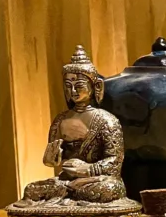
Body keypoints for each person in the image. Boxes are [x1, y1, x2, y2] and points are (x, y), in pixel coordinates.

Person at [21, 46, 128, 204]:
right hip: (67, 181)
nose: (73, 91)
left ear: (95, 86)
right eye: (68, 86)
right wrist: (51, 160)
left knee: (111, 188)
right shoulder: (60, 120)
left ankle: (68, 196)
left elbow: (115, 161)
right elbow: (55, 159)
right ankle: (69, 194)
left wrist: (88, 169)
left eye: (78, 86)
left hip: (96, 181)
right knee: (31, 189)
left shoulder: (106, 120)